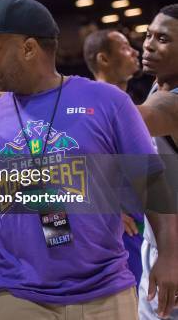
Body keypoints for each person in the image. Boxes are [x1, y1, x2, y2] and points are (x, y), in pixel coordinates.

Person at [0, 0, 178, 319]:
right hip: (18, 294)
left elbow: (152, 183)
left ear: (28, 48)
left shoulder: (108, 101)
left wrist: (169, 254)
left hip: (105, 291)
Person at [83, 29, 145, 289]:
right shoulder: (84, 105)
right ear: (103, 59)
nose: (136, 51)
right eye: (125, 47)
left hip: (135, 226)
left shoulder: (126, 103)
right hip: (104, 232)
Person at [136, 4, 178, 320]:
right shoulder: (158, 85)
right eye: (148, 35)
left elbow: (116, 119)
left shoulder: (170, 102)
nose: (148, 44)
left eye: (162, 39)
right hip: (158, 244)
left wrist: (39, 93)